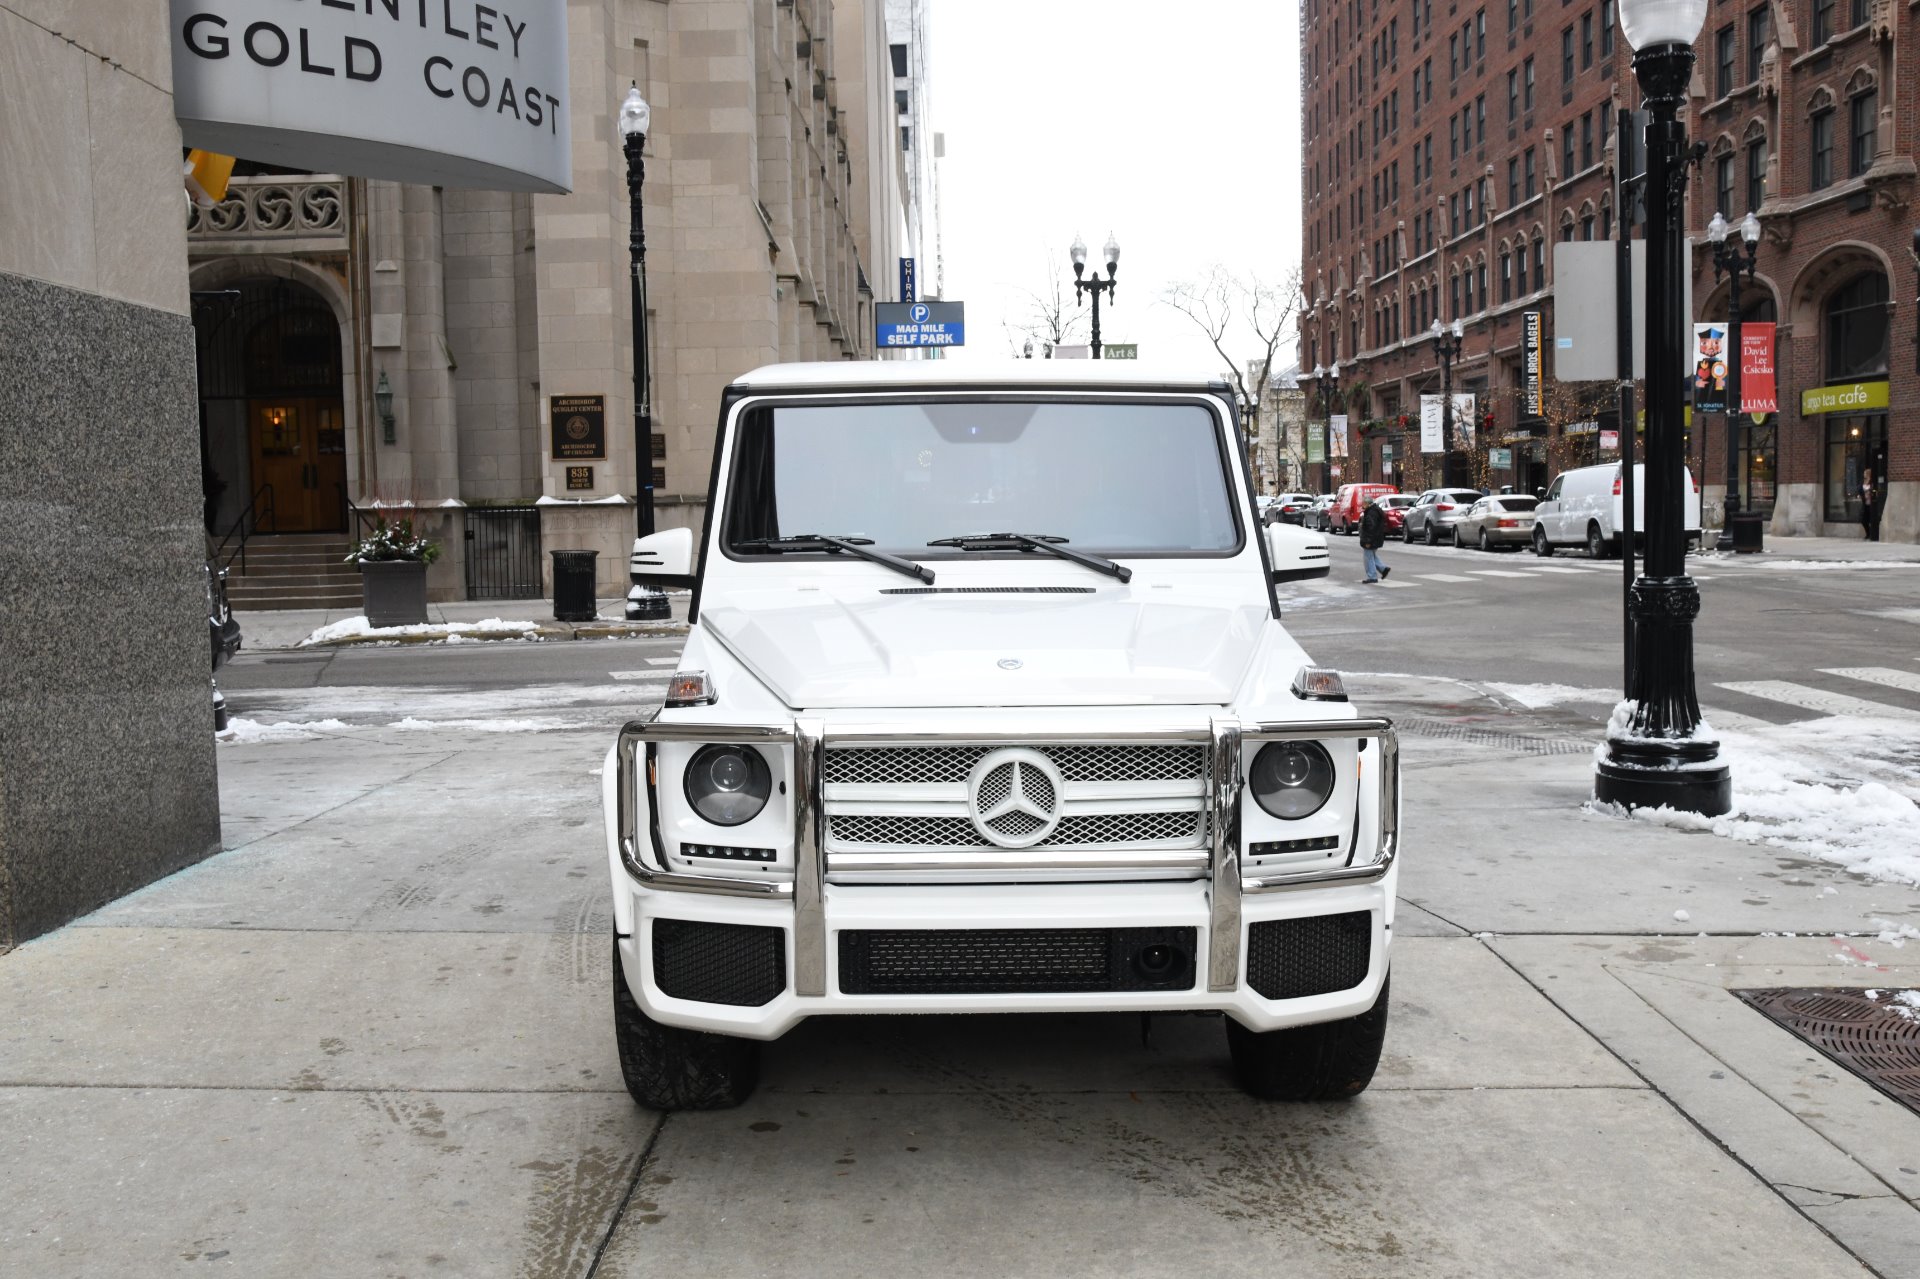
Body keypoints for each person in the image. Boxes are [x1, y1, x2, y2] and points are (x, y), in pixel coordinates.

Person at [1358, 496, 1391, 584]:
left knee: (1368, 557)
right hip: (1375, 538)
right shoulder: (1374, 510)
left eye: (1364, 503)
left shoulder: (1371, 512)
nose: (1362, 505)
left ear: (1368, 504)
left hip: (1371, 539)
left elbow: (1371, 527)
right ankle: (1383, 569)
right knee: (1371, 556)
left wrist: (1368, 541)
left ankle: (1372, 576)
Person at [1860, 466, 1880, 542]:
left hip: (1872, 504)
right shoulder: (1863, 482)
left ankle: (1873, 534)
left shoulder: (1872, 482)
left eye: (1865, 473)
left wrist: (1871, 492)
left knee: (1872, 519)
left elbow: (1875, 490)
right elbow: (1860, 489)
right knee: (1863, 520)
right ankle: (1868, 533)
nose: (1864, 474)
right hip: (1865, 504)